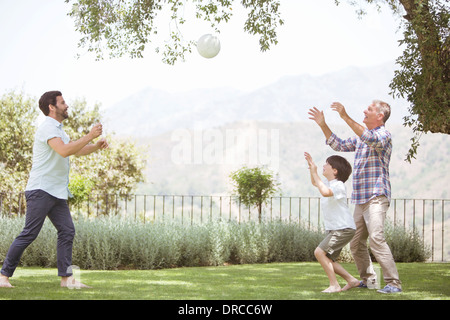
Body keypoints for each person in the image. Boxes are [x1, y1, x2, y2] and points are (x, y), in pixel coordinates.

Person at [0, 91, 108, 288]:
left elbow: (76, 150)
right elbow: (65, 150)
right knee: (30, 233)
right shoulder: (47, 128)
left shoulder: (59, 130)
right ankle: (3, 276)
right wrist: (90, 135)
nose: (66, 105)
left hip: (56, 192)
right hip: (41, 190)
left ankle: (66, 280)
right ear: (52, 106)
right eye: (62, 102)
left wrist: (95, 145)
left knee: (67, 231)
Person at [308, 100, 402, 294]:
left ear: (380, 116)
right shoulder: (360, 139)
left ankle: (393, 283)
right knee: (356, 242)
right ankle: (368, 280)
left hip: (376, 196)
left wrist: (344, 116)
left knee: (376, 238)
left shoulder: (383, 135)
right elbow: (338, 144)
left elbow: (369, 137)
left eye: (370, 109)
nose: (364, 110)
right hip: (360, 199)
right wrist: (323, 125)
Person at [304, 152, 360, 293]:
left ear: (335, 170)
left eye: (327, 164)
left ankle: (334, 285)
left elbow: (325, 192)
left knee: (319, 252)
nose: (324, 166)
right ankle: (352, 280)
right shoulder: (330, 183)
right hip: (337, 228)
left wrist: (316, 172)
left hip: (343, 228)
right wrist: (312, 170)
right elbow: (314, 182)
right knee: (328, 257)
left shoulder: (339, 185)